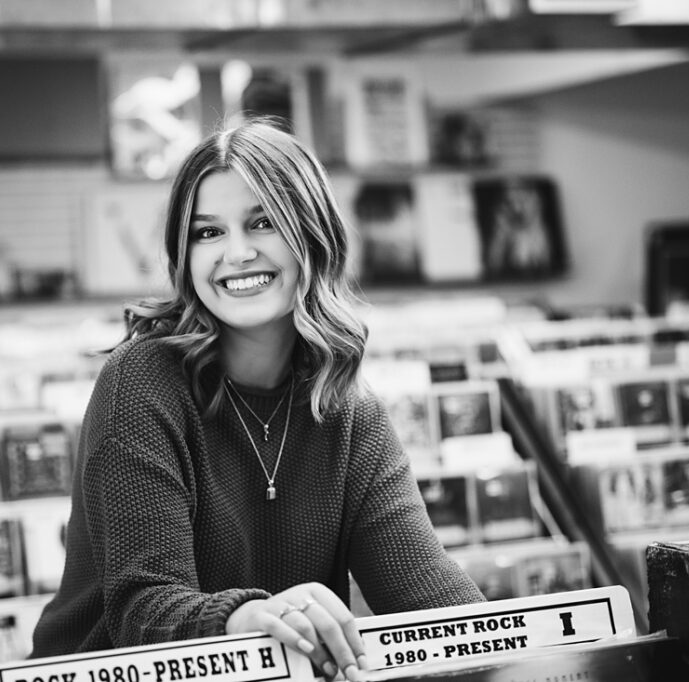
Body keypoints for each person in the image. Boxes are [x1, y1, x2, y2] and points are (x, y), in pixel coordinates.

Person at [30, 118, 484, 678]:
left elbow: (431, 597)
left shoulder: (348, 412)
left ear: (312, 236)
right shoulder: (141, 382)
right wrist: (247, 616)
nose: (237, 253)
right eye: (207, 232)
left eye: (262, 222)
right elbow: (142, 611)